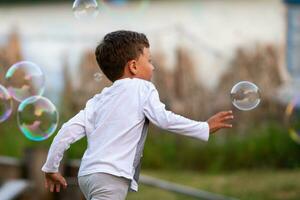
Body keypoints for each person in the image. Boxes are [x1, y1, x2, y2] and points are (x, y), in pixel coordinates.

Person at [41, 30, 234, 200]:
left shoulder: (97, 100)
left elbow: (67, 131)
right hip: (111, 176)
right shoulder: (143, 88)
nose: (153, 67)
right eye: (149, 61)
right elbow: (165, 119)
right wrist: (203, 127)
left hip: (88, 175)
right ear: (133, 66)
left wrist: (50, 168)